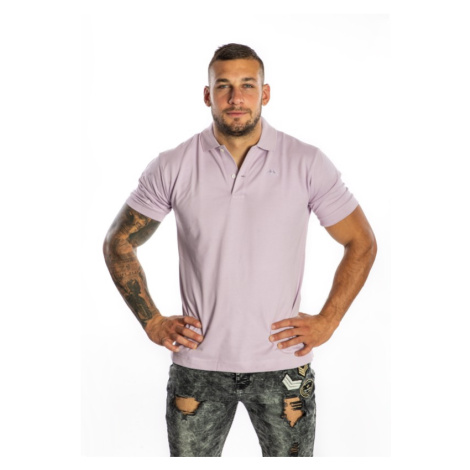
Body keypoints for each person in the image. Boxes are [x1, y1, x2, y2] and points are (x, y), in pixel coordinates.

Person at [103, 43, 377, 457]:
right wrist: (152, 322)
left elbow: (361, 242)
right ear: (207, 95)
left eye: (247, 85)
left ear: (265, 93)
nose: (236, 98)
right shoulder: (173, 165)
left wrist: (328, 320)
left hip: (283, 367)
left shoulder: (306, 162)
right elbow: (119, 242)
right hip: (198, 369)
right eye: (224, 86)